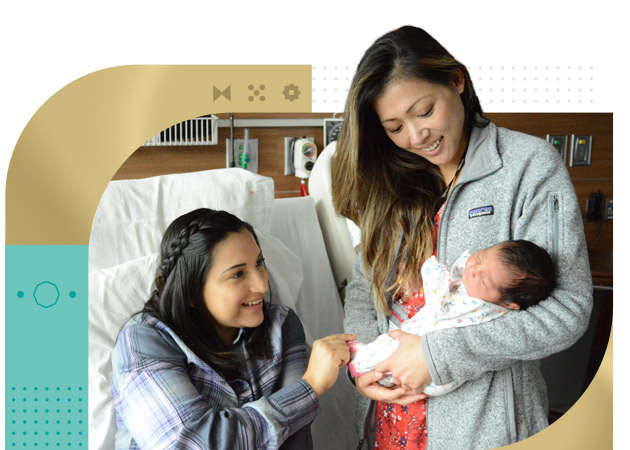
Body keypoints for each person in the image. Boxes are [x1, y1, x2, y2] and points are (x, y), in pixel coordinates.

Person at [331, 26, 592, 450]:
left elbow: (567, 310)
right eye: (395, 126)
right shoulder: (388, 181)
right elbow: (365, 290)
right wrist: (363, 369)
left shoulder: (526, 167)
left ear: (456, 81)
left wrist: (439, 356)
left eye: (424, 111)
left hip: (480, 428)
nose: (416, 137)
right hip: (389, 422)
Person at [110, 208, 355, 450]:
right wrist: (310, 387)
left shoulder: (281, 328)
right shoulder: (143, 342)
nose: (261, 285)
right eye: (238, 274)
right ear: (191, 292)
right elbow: (190, 444)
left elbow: (296, 440)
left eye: (259, 263)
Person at [348, 240, 556, 396]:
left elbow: (439, 307)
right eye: (481, 257)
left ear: (509, 304)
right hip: (416, 385)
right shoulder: (487, 294)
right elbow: (360, 292)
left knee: (387, 347)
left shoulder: (480, 306)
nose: (474, 269)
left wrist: (433, 271)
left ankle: (362, 361)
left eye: (484, 278)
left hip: (431, 370)